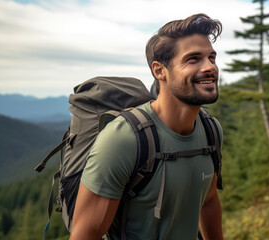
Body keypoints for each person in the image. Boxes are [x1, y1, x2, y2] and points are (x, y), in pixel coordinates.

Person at [70, 13, 224, 240]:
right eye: (193, 59)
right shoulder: (124, 139)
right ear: (159, 70)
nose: (210, 67)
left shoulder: (210, 130)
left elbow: (208, 200)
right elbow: (86, 234)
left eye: (212, 57)